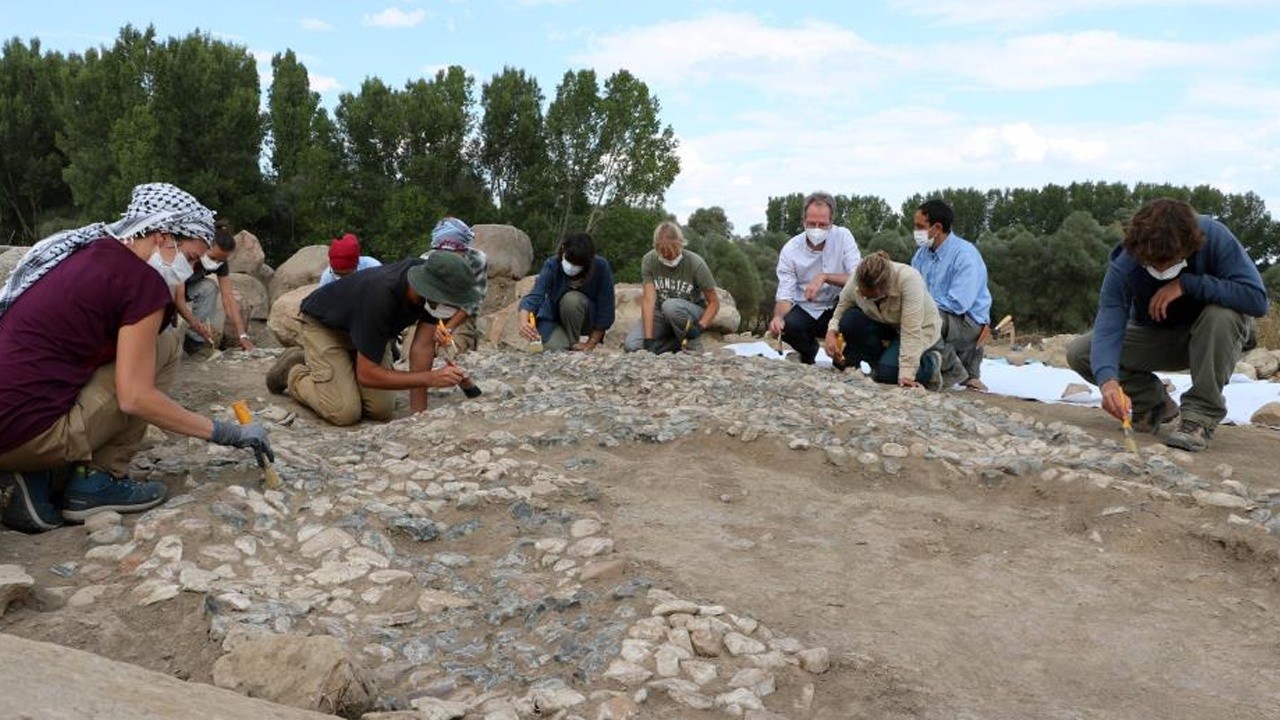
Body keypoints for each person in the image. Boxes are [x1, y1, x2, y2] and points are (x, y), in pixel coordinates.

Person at [0, 182, 274, 533]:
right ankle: (97, 482)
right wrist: (227, 434)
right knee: (167, 343)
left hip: (9, 424)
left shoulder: (94, 251)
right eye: (190, 258)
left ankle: (37, 474)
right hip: (24, 435)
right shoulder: (143, 284)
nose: (190, 272)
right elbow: (135, 398)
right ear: (162, 236)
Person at [1067, 198, 1269, 452]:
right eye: (1152, 263)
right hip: (1163, 337)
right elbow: (1109, 323)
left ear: (1190, 246)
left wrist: (1188, 284)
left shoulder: (1214, 237)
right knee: (1081, 353)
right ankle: (1152, 405)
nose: (1161, 269)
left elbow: (1257, 300)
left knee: (1221, 314)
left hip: (1219, 336)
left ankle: (1199, 419)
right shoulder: (1126, 262)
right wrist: (1107, 381)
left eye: (1170, 261)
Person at [266, 251, 478, 425]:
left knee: (381, 410)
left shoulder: (429, 286)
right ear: (432, 291)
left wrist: (418, 416)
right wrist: (429, 378)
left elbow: (422, 347)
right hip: (327, 328)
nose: (453, 309)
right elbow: (367, 375)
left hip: (369, 332)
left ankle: (342, 368)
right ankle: (294, 373)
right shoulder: (381, 295)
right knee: (344, 412)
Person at [824, 251, 944, 390]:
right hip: (886, 323)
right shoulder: (858, 278)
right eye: (863, 295)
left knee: (889, 374)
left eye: (872, 296)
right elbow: (842, 308)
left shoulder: (910, 280)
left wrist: (906, 374)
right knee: (850, 320)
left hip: (919, 327)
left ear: (885, 288)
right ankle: (880, 363)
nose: (866, 298)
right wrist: (831, 332)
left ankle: (931, 364)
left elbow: (910, 331)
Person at [769, 191, 862, 363]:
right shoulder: (790, 250)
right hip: (807, 308)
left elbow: (858, 278)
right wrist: (778, 318)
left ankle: (843, 357)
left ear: (831, 223)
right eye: (811, 224)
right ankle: (809, 352)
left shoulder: (843, 237)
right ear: (803, 221)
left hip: (838, 306)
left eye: (823, 224)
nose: (817, 229)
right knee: (788, 325)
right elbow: (785, 294)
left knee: (855, 320)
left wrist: (825, 277)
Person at [910, 198, 992, 391]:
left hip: (968, 322)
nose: (915, 231)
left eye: (919, 226)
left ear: (937, 228)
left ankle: (952, 369)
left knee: (921, 314)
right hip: (942, 316)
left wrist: (918, 305)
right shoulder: (921, 254)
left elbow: (958, 303)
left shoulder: (965, 255)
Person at [623, 221, 720, 354]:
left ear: (680, 243)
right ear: (656, 248)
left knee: (671, 306)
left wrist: (700, 327)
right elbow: (649, 301)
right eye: (663, 252)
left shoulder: (696, 263)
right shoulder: (649, 260)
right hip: (661, 314)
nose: (668, 256)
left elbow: (714, 303)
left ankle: (692, 344)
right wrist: (648, 339)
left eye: (672, 251)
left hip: (689, 313)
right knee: (632, 346)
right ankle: (674, 344)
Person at [519, 232, 616, 352]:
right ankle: (569, 345)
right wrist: (524, 321)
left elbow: (606, 309)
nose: (572, 266)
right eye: (570, 260)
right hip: (554, 319)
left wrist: (591, 343)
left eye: (578, 264)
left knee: (571, 300)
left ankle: (574, 343)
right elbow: (536, 294)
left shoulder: (601, 267)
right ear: (563, 249)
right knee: (552, 349)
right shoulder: (552, 265)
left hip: (585, 318)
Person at [175, 220, 255, 354]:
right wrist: (196, 324)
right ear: (206, 246)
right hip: (170, 287)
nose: (216, 263)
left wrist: (242, 335)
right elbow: (178, 298)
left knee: (209, 287)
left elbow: (228, 298)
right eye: (213, 257)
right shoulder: (186, 256)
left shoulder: (221, 262)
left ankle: (194, 343)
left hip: (188, 288)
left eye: (221, 260)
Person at [420, 218, 488, 353]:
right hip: (429, 315)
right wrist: (433, 327)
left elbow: (472, 303)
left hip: (460, 316)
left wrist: (447, 328)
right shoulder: (424, 262)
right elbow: (420, 303)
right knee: (417, 352)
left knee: (451, 352)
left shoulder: (477, 261)